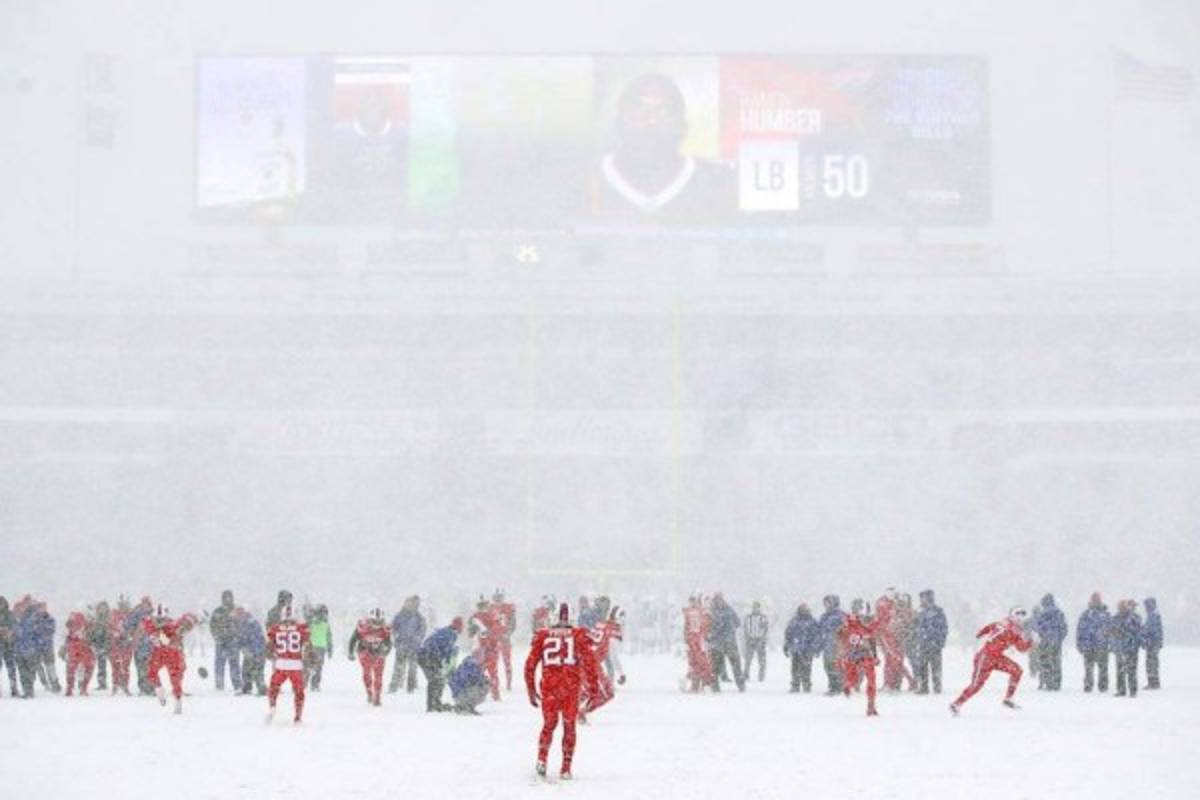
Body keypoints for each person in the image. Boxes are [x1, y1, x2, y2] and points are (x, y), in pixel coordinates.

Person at [525, 603, 602, 781]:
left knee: (549, 725)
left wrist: (531, 688)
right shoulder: (578, 635)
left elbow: (530, 665)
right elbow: (590, 663)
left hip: (550, 686)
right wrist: (593, 687)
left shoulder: (543, 636)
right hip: (570, 687)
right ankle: (565, 768)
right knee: (569, 727)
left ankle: (541, 760)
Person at [950, 607, 1033, 715]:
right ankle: (957, 704)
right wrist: (1031, 641)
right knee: (976, 685)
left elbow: (990, 627)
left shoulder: (1004, 623)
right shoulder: (1013, 629)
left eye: (1022, 616)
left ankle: (1008, 699)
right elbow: (1022, 648)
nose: (1020, 618)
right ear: (1012, 615)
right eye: (1018, 615)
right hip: (985, 657)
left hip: (996, 657)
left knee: (1017, 670)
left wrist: (980, 633)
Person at [143, 605, 197, 714]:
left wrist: (190, 621)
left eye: (162, 619)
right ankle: (159, 689)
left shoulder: (174, 625)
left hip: (173, 654)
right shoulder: (149, 624)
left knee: (175, 679)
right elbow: (144, 622)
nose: (159, 622)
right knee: (151, 673)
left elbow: (188, 619)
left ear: (167, 618)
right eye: (157, 619)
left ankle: (177, 701)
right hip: (159, 653)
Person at [265, 605, 310, 724]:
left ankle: (272, 706)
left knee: (273, 688)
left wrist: (270, 652)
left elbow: (270, 646)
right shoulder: (301, 628)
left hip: (281, 664)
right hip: (295, 665)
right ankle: (298, 716)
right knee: (299, 692)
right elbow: (307, 644)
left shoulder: (275, 629)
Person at [838, 599, 881, 716]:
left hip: (859, 655)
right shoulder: (854, 623)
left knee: (864, 679)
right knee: (864, 679)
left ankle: (870, 703)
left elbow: (872, 639)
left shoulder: (852, 623)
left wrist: (875, 655)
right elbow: (842, 636)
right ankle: (869, 703)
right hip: (859, 655)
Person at [417, 616, 463, 712]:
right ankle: (432, 705)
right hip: (428, 657)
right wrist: (444, 657)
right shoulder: (450, 634)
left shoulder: (446, 631)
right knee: (435, 680)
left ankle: (435, 703)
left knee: (438, 680)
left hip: (425, 656)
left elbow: (442, 647)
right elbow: (445, 649)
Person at [348, 608, 391, 706]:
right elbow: (353, 639)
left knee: (378, 675)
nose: (377, 624)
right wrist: (350, 652)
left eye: (379, 621)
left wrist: (385, 651)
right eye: (374, 621)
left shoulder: (385, 629)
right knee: (367, 673)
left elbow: (389, 643)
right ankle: (369, 692)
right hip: (365, 651)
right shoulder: (363, 626)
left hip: (379, 652)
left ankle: (377, 697)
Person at [707, 593, 745, 692]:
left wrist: (728, 631)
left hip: (727, 642)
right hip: (718, 643)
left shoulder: (725, 611)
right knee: (716, 667)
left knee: (735, 665)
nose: (719, 602)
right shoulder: (714, 612)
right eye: (717, 600)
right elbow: (737, 623)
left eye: (720, 600)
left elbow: (737, 622)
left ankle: (741, 685)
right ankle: (715, 686)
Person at [388, 596, 426, 694]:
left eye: (411, 603)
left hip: (414, 647)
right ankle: (393, 687)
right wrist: (396, 638)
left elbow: (422, 630)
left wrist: (417, 639)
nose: (409, 605)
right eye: (407, 603)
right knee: (398, 668)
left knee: (412, 669)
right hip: (401, 645)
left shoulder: (419, 617)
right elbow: (393, 628)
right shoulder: (399, 616)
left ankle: (411, 688)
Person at [913, 590, 948, 694]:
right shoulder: (920, 611)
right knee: (922, 667)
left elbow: (943, 628)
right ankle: (924, 687)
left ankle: (936, 687)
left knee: (935, 666)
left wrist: (940, 641)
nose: (921, 600)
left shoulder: (937, 611)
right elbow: (915, 626)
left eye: (923, 598)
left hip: (933, 643)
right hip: (924, 643)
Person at [1076, 592, 1111, 693]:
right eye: (1094, 599)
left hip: (1102, 646)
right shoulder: (1085, 614)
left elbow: (1111, 630)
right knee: (1088, 668)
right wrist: (1079, 643)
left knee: (1103, 668)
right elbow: (1080, 630)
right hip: (1088, 646)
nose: (1095, 601)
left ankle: (1103, 686)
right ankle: (1088, 685)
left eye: (1097, 599)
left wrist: (1110, 643)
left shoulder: (1106, 615)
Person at [472, 598, 506, 701]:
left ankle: (489, 694)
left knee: (485, 672)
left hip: (486, 648)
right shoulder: (482, 617)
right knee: (488, 672)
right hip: (485, 648)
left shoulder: (481, 617)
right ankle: (490, 694)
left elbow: (498, 631)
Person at [1032, 594, 1067, 691]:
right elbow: (1064, 628)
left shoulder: (1042, 613)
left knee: (1045, 662)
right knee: (1056, 662)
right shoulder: (1059, 613)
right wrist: (1059, 638)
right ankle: (1057, 683)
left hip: (1045, 641)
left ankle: (1047, 683)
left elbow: (1036, 627)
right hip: (1056, 642)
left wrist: (1043, 634)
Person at [783, 604, 820, 693]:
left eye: (805, 609)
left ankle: (806, 685)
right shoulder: (794, 621)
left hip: (807, 650)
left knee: (807, 668)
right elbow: (788, 634)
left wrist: (815, 647)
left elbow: (816, 636)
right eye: (802, 609)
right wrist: (786, 645)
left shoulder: (812, 621)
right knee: (795, 668)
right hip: (796, 649)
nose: (804, 611)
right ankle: (795, 685)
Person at [209, 590, 241, 692]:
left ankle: (236, 684)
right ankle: (219, 685)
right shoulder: (217, 611)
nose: (228, 599)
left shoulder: (237, 611)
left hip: (233, 641)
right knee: (219, 663)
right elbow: (212, 625)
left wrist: (238, 636)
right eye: (226, 597)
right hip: (221, 642)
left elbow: (241, 624)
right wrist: (216, 637)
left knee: (234, 663)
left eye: (229, 597)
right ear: (222, 598)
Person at [682, 595, 713, 692]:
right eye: (691, 601)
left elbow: (707, 624)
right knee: (694, 662)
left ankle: (705, 683)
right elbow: (686, 626)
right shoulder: (689, 613)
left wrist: (705, 635)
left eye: (694, 601)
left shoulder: (702, 612)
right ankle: (696, 684)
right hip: (693, 640)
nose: (692, 603)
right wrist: (687, 638)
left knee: (702, 661)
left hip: (699, 640)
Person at [1112, 599, 1142, 698]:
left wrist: (1123, 632)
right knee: (1120, 671)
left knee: (1131, 670)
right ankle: (1121, 690)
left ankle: (1133, 691)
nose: (1121, 609)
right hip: (1119, 649)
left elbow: (1136, 632)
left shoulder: (1133, 618)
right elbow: (1111, 632)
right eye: (1119, 607)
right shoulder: (1115, 618)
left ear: (1126, 607)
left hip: (1131, 649)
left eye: (1123, 607)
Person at [62, 611, 96, 696]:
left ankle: (71, 688)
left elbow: (68, 639)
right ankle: (82, 688)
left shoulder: (73, 629)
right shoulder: (86, 627)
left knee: (71, 669)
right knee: (87, 668)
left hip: (78, 650)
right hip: (82, 650)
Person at [818, 595, 846, 695]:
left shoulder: (840, 615)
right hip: (827, 644)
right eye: (825, 603)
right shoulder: (824, 616)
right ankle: (832, 685)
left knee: (836, 665)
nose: (826, 605)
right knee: (827, 665)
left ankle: (838, 686)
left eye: (828, 602)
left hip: (837, 644)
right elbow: (819, 630)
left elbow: (846, 628)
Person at [449, 648, 490, 715]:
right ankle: (466, 706)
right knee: (483, 687)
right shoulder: (472, 665)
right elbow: (473, 679)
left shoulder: (468, 663)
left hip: (458, 694)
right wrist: (484, 681)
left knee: (482, 686)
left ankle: (463, 706)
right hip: (461, 694)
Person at [491, 590, 517, 692]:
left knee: (507, 662)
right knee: (493, 663)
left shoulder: (507, 608)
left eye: (499, 598)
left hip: (505, 639)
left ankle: (508, 683)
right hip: (494, 640)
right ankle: (494, 683)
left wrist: (508, 633)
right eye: (496, 599)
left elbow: (513, 623)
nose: (498, 601)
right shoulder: (491, 608)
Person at [108, 596, 134, 695]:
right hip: (115, 645)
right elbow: (109, 627)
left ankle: (125, 686)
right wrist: (114, 633)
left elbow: (134, 629)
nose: (123, 607)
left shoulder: (131, 616)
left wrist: (129, 635)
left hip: (127, 645)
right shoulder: (113, 615)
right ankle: (115, 685)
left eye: (125, 605)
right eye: (121, 605)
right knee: (115, 667)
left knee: (126, 667)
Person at [237, 609, 267, 696]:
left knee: (256, 671)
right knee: (247, 670)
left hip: (256, 651)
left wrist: (252, 652)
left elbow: (250, 638)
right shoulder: (248, 622)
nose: (237, 618)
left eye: (238, 615)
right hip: (255, 650)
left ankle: (261, 688)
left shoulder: (249, 623)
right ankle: (248, 687)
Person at [304, 604, 332, 691]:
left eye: (325, 613)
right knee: (310, 666)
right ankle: (308, 683)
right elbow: (306, 631)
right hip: (311, 647)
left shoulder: (325, 623)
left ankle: (314, 684)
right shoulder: (312, 621)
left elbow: (329, 636)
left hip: (320, 648)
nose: (323, 615)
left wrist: (330, 647)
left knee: (317, 667)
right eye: (322, 612)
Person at [743, 601, 770, 683]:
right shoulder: (748, 617)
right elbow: (745, 628)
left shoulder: (763, 618)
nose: (755, 609)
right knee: (748, 659)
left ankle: (761, 676)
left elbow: (766, 629)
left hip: (760, 640)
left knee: (761, 660)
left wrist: (763, 639)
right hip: (750, 640)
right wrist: (747, 637)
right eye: (754, 607)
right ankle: (746, 674)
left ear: (759, 608)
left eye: (757, 607)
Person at [88, 602, 111, 691]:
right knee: (101, 666)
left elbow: (109, 633)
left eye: (104, 608)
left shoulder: (109, 618)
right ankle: (102, 683)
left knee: (116, 665)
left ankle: (118, 684)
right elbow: (92, 632)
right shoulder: (96, 619)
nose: (102, 609)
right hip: (98, 645)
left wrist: (106, 646)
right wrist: (93, 643)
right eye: (101, 608)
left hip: (108, 645)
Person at [1141, 597, 1163, 689]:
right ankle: (1154, 682)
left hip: (1152, 644)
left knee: (1151, 663)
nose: (1145, 607)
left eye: (1146, 605)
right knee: (1152, 663)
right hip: (1153, 643)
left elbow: (1152, 631)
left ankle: (1153, 683)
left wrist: (1146, 639)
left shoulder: (1153, 615)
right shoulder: (1152, 615)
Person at [0, 597, 18, 697]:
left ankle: (14, 688)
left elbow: (15, 626)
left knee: (11, 667)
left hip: (9, 644)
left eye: (1, 604)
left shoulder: (9, 614)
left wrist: (9, 632)